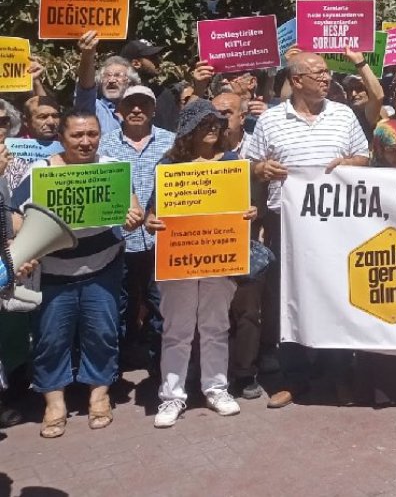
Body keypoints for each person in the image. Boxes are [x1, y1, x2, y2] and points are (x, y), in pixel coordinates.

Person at [242, 51, 370, 409]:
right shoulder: (270, 120)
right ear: (296, 80)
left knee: (336, 295)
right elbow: (250, 164)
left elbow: (364, 157)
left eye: (327, 72)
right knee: (290, 298)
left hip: (336, 224)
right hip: (287, 224)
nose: (327, 78)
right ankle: (294, 377)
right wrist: (262, 169)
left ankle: (339, 375)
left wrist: (348, 162)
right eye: (318, 73)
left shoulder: (343, 114)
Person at [10, 112, 143, 438]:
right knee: (51, 339)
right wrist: (25, 244)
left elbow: (133, 205)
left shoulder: (112, 168)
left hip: (103, 270)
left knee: (102, 333)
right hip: (54, 275)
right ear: (62, 138)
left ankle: (99, 396)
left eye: (92, 134)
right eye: (77, 135)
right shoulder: (40, 171)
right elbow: (15, 213)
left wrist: (134, 216)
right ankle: (54, 404)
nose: (86, 142)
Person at [144, 100, 257, 427]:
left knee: (216, 327)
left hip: (219, 257)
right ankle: (172, 396)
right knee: (176, 330)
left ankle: (216, 389)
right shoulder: (170, 164)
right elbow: (153, 211)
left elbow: (245, 206)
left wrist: (250, 212)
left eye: (217, 123)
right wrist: (151, 221)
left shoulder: (233, 163)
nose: (212, 128)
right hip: (179, 259)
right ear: (188, 129)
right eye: (204, 123)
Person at [98, 85, 175, 375]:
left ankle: (160, 365)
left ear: (154, 110)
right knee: (119, 304)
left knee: (160, 303)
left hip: (161, 239)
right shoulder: (104, 145)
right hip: (119, 240)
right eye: (130, 104)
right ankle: (116, 366)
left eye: (144, 104)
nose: (137, 109)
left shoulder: (172, 142)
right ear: (119, 110)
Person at [211, 93, 264, 400]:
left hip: (248, 241)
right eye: (214, 114)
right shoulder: (201, 150)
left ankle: (245, 372)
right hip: (209, 244)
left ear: (242, 117)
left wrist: (258, 211)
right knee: (214, 314)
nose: (219, 121)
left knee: (247, 312)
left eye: (226, 113)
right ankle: (214, 373)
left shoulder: (259, 148)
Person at [73, 30, 140, 135]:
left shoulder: (140, 111)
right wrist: (87, 54)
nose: (111, 80)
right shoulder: (94, 108)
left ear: (130, 83)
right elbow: (85, 89)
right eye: (107, 75)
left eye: (118, 75)